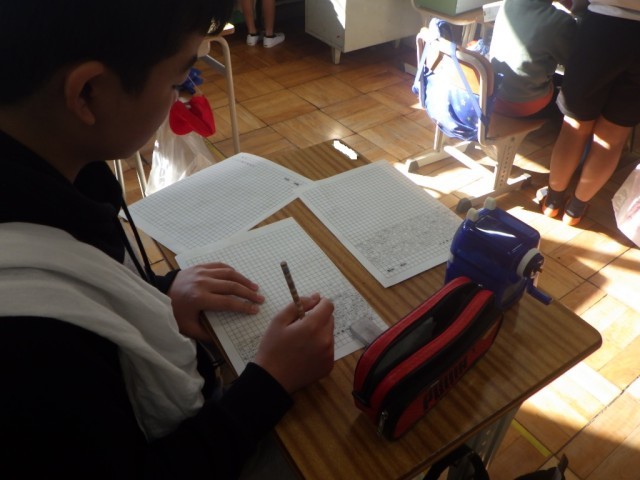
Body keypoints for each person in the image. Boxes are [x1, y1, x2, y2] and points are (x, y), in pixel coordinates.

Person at [0, 1, 335, 478]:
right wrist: (270, 382)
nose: (182, 95)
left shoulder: (56, 181)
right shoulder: (30, 346)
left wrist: (159, 294)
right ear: (88, 92)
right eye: (179, 82)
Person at [541, 0, 640, 225]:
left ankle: (552, 202)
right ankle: (575, 211)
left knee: (575, 127)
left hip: (604, 25)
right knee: (613, 137)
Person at [488, 0, 578, 119]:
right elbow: (577, 65)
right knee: (578, 95)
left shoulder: (508, 2)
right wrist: (579, 10)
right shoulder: (561, 22)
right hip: (524, 105)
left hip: (493, 95)